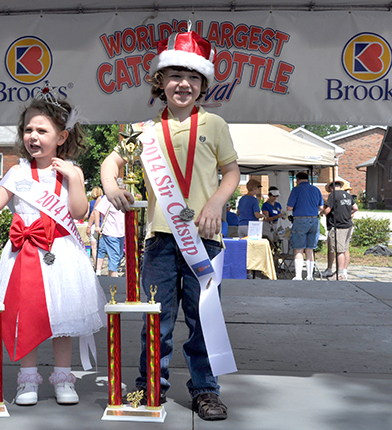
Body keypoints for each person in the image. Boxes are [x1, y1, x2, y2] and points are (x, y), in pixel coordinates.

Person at [100, 29, 240, 421]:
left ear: (203, 84)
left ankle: (206, 390)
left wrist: (215, 201)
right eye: (176, 76)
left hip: (204, 238)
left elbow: (231, 172)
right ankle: (149, 387)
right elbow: (111, 163)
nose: (184, 84)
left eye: (193, 77)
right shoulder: (144, 131)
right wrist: (111, 186)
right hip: (160, 239)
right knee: (155, 319)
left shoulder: (214, 124)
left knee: (203, 319)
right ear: (160, 81)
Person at [0, 96, 106, 406]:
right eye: (28, 129)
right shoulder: (17, 171)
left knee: (63, 318)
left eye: (42, 130)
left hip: (60, 252)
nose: (33, 136)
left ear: (62, 136)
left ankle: (63, 379)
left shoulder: (72, 171)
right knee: (23, 316)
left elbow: (79, 212)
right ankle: (27, 380)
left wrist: (74, 178)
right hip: (22, 253)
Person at [286, 171, 324, 280]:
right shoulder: (316, 189)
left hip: (300, 220)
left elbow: (289, 207)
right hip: (314, 220)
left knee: (299, 249)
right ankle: (310, 275)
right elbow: (321, 207)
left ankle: (298, 276)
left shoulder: (296, 189)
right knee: (310, 249)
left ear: (297, 180)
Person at [322, 180, 358, 280]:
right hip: (348, 224)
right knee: (345, 248)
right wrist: (348, 214)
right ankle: (344, 271)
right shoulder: (347, 195)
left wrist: (322, 212)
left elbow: (328, 209)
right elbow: (355, 208)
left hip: (338, 226)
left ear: (331, 188)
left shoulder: (333, 195)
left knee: (339, 250)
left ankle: (340, 273)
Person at [94, 182, 125, 277]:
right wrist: (96, 226)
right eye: (123, 188)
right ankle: (113, 280)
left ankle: (111, 277)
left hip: (121, 233)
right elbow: (97, 211)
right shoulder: (108, 198)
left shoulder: (123, 198)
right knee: (114, 257)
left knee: (118, 256)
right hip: (110, 232)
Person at [86, 186, 103, 261]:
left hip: (93, 225)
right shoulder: (104, 201)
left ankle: (96, 264)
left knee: (93, 247)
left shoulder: (89, 203)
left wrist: (88, 226)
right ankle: (101, 263)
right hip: (102, 224)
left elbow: (86, 216)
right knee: (102, 247)